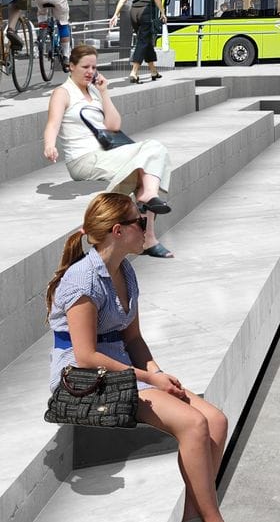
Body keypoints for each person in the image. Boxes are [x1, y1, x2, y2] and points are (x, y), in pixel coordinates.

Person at [47, 192, 227, 522]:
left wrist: (157, 371)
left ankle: (193, 516)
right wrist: (147, 378)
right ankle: (213, 518)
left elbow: (134, 338)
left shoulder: (125, 271)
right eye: (140, 221)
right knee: (194, 422)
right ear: (118, 230)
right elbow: (86, 356)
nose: (146, 226)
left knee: (216, 421)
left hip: (124, 370)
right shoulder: (81, 281)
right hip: (83, 380)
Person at [44, 45, 175, 257]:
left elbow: (114, 125)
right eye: (85, 66)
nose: (90, 71)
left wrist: (104, 92)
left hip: (105, 153)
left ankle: (147, 206)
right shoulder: (63, 92)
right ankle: (147, 232)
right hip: (83, 159)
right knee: (149, 159)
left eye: (94, 67)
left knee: (153, 156)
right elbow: (52, 123)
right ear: (71, 66)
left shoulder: (95, 91)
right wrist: (49, 145)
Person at [111, 0, 166, 83]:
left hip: (133, 12)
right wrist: (162, 11)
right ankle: (134, 72)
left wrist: (115, 14)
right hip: (145, 11)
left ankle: (153, 71)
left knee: (145, 40)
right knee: (142, 41)